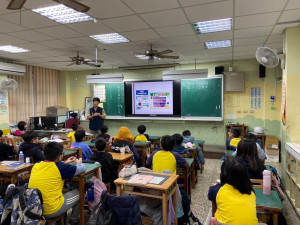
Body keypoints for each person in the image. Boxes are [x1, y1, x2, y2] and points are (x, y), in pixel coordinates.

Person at [28, 142, 85, 224]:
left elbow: (53, 166)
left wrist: (64, 163)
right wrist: (78, 162)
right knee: (81, 192)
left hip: (34, 208)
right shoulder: (61, 167)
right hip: (51, 209)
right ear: (59, 156)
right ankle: (74, 221)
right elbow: (82, 168)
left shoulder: (37, 165)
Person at [208, 157, 258, 225]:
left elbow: (210, 195)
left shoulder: (218, 190)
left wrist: (215, 186)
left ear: (223, 174)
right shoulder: (251, 192)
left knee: (212, 216)